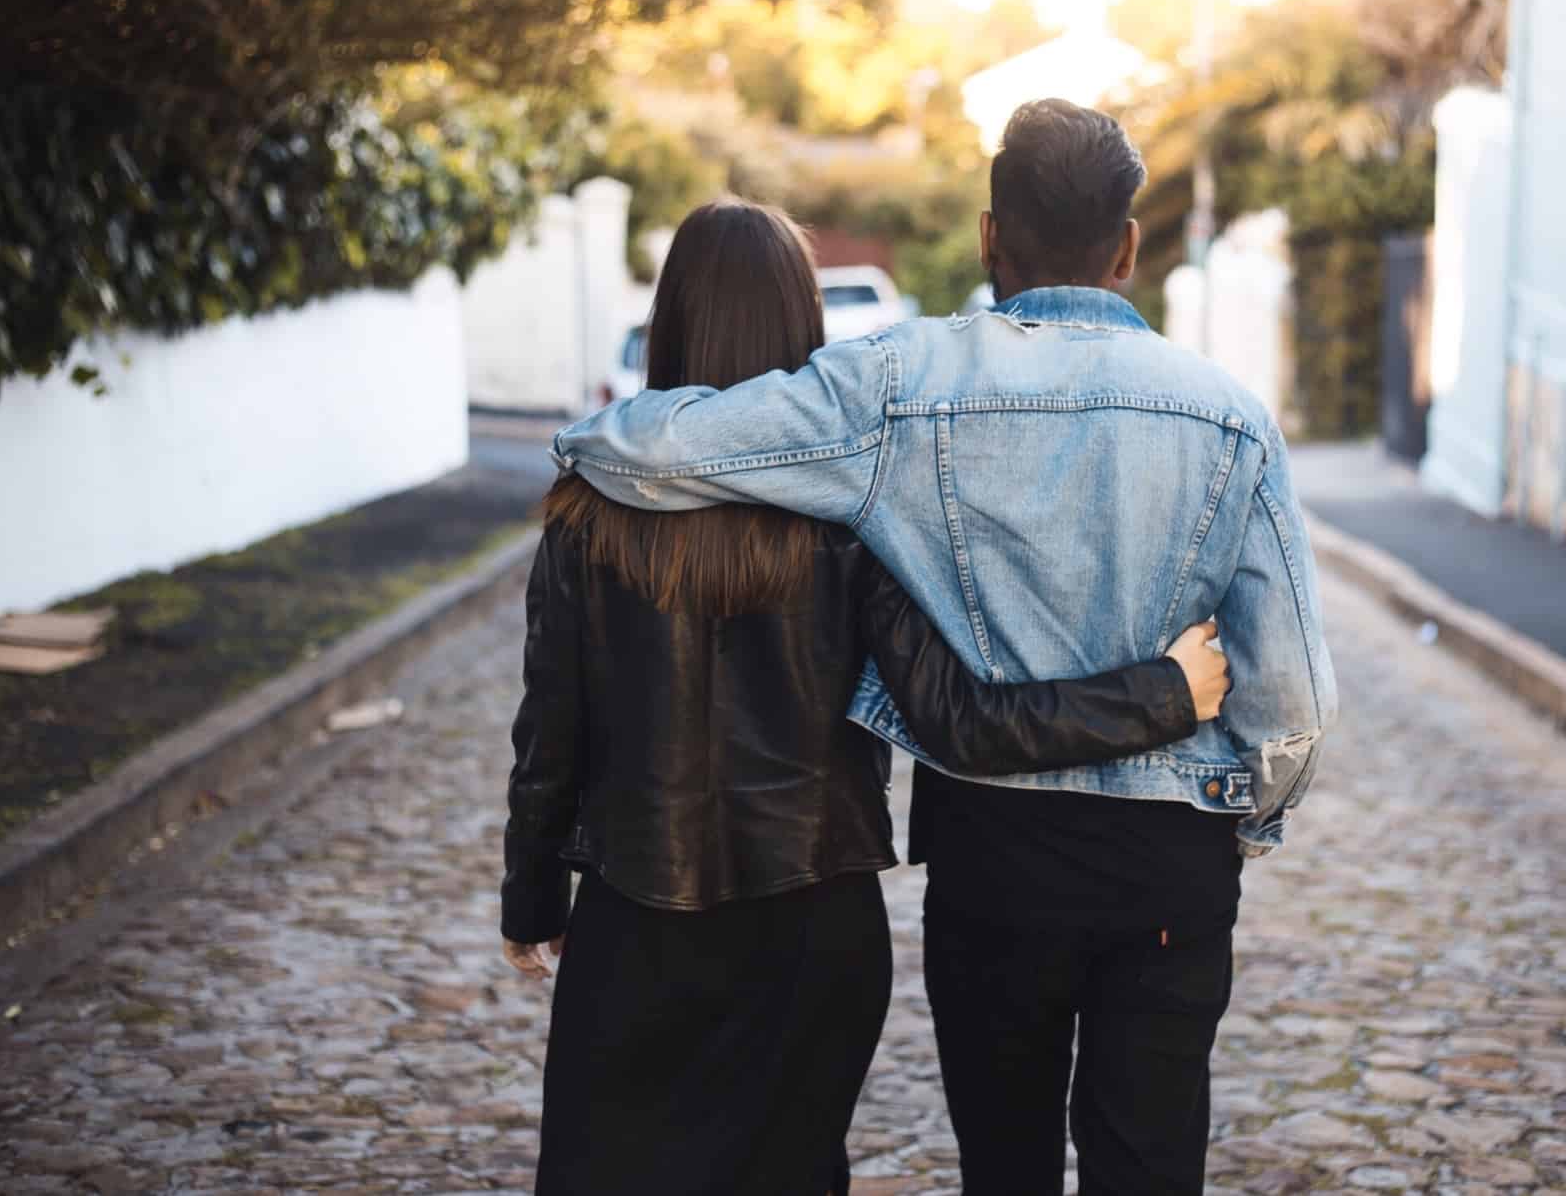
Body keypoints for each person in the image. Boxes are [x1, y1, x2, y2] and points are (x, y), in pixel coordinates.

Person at [550, 100, 1338, 1195]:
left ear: (986, 238)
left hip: (993, 850)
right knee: (1150, 1161)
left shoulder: (900, 383)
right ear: (1127, 248)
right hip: (1167, 861)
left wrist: (579, 442)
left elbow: (682, 443)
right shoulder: (1230, 415)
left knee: (1003, 1165)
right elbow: (1293, 698)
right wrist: (1247, 815)